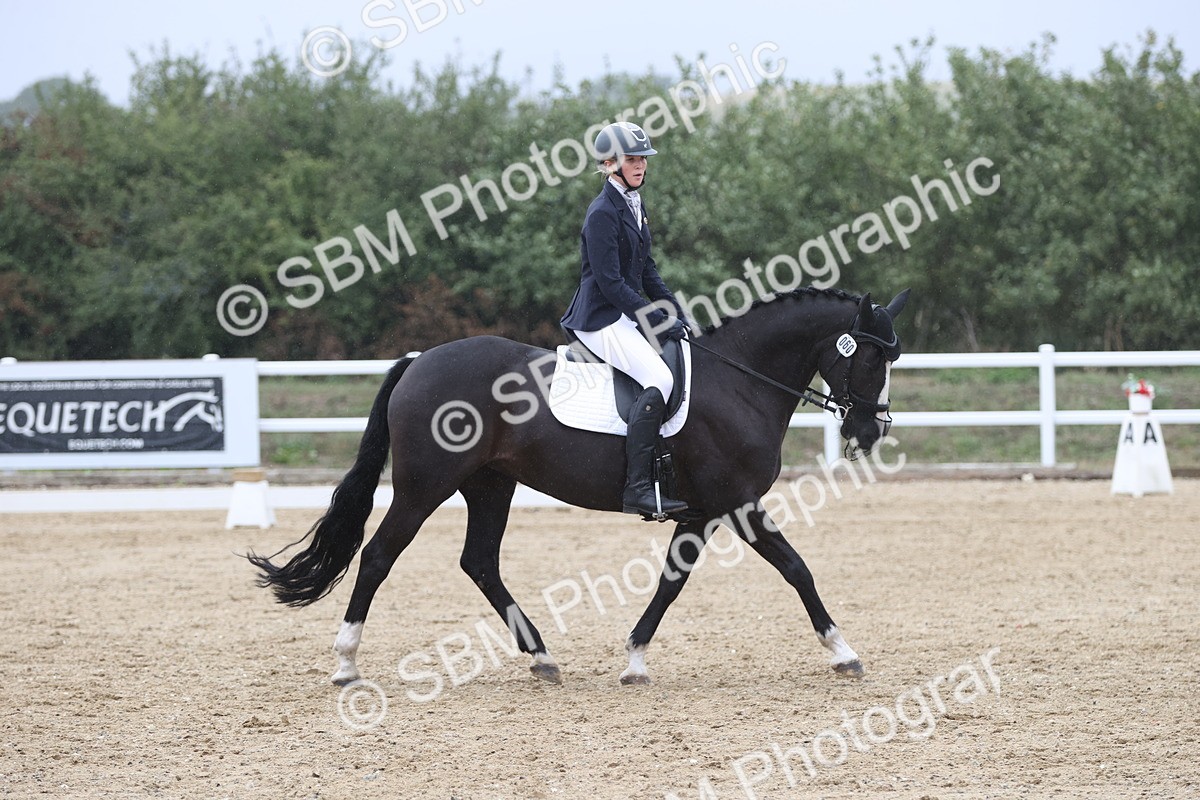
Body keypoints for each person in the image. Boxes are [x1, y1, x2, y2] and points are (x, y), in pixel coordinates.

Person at [561, 120, 689, 517]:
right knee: (660, 378)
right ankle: (638, 489)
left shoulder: (634, 203)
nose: (640, 166)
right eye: (632, 159)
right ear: (609, 163)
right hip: (601, 318)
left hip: (625, 315)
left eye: (643, 159)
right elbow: (611, 283)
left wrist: (673, 308)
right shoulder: (602, 212)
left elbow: (647, 267)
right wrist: (654, 319)